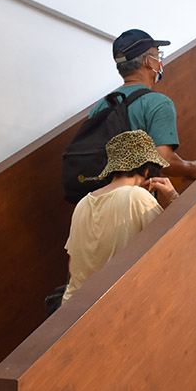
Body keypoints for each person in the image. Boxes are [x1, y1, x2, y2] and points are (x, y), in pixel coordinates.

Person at [62, 130, 179, 304]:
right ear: (147, 171)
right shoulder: (137, 197)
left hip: (73, 307)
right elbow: (172, 248)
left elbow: (74, 267)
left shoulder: (83, 204)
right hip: (116, 307)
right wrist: (173, 197)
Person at [90, 28, 196, 181]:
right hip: (135, 199)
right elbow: (163, 160)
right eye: (158, 55)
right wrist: (192, 169)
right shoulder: (158, 103)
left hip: (98, 198)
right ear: (148, 61)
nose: (159, 61)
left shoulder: (99, 107)